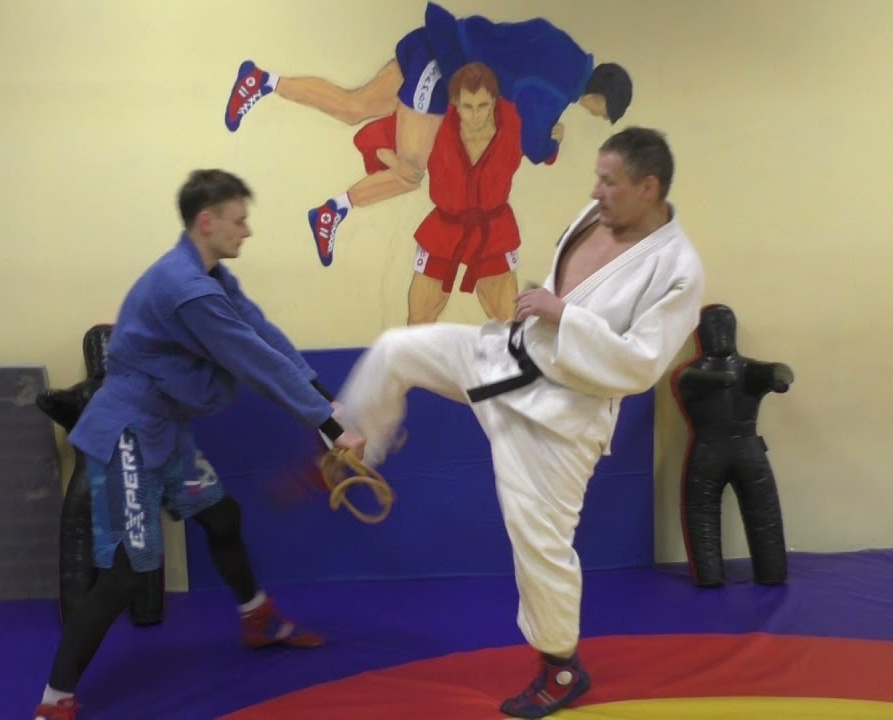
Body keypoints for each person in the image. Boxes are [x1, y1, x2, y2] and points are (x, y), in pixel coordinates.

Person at [333, 127, 705, 718]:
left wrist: (565, 317)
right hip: (507, 358)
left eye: (609, 181)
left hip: (560, 418)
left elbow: (640, 363)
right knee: (398, 349)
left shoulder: (678, 268)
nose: (596, 190)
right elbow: (567, 286)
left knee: (540, 544)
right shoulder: (597, 215)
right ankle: (352, 442)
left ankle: (561, 668)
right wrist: (547, 307)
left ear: (648, 187)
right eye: (598, 177)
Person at [32, 169, 367, 720]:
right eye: (239, 220)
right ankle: (54, 700)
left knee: (221, 515)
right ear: (206, 222)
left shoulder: (210, 275)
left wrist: (327, 406)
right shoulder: (186, 289)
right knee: (124, 573)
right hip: (127, 435)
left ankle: (256, 617)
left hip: (165, 431)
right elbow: (250, 359)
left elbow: (262, 334)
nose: (247, 231)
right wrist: (328, 428)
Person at [223, 1, 632, 266]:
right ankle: (333, 211)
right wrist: (551, 144)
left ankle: (263, 81)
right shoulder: (559, 88)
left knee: (354, 107)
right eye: (602, 113)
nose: (596, 116)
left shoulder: (563, 45)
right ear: (600, 97)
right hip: (440, 69)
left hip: (434, 43)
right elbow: (531, 142)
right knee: (410, 172)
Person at [353, 61, 536, 325]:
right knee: (419, 320)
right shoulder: (433, 123)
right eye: (468, 107)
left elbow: (544, 146)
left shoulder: (514, 122)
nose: (476, 115)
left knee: (508, 321)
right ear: (455, 103)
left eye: (483, 106)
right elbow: (371, 139)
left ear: (495, 101)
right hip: (443, 230)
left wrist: (554, 137)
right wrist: (396, 162)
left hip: (494, 231)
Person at [672, 303, 793, 588]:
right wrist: (720, 379)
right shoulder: (690, 374)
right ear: (701, 333)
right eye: (713, 326)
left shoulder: (748, 369)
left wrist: (779, 378)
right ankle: (709, 575)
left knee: (764, 514)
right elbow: (689, 381)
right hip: (710, 448)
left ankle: (771, 570)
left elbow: (780, 370)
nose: (720, 333)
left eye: (725, 325)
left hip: (742, 448)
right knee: (702, 516)